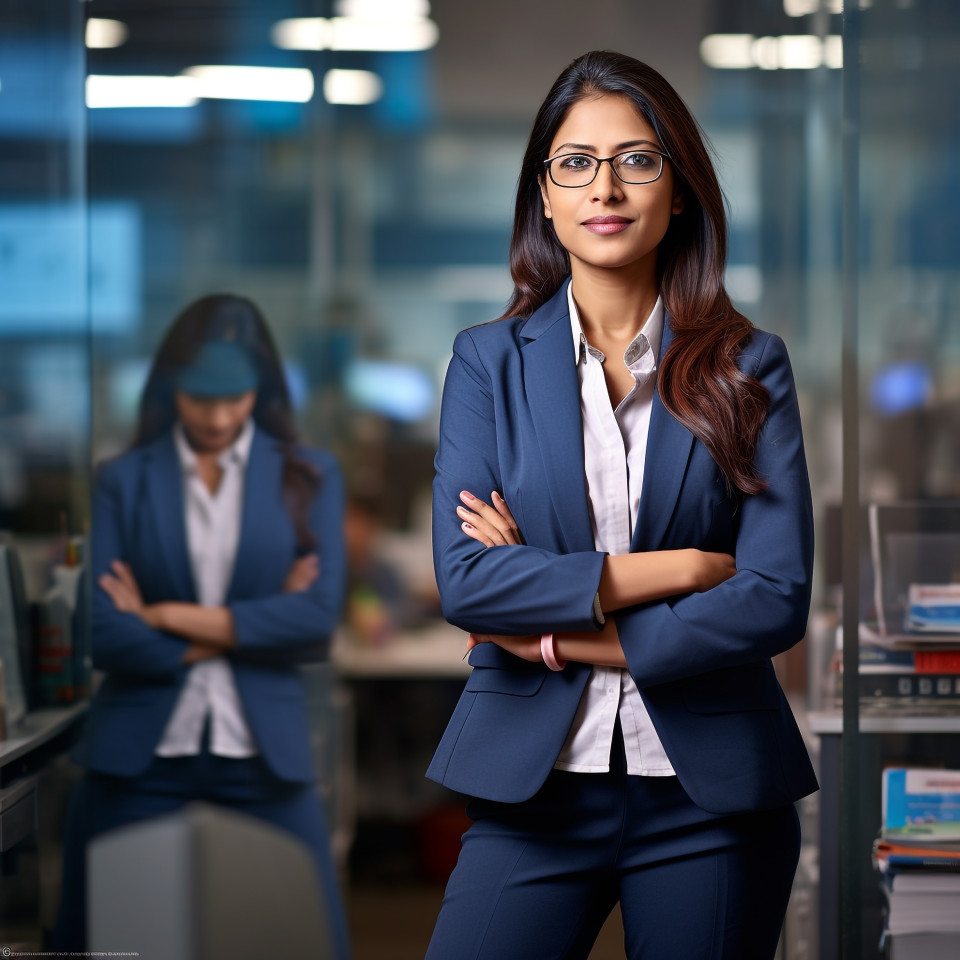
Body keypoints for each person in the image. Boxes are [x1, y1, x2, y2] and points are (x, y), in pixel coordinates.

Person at [425, 51, 818, 960]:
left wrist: (563, 631)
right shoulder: (489, 362)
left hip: (710, 799)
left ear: (678, 191)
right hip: (535, 789)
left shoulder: (747, 366)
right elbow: (472, 583)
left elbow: (772, 596)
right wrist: (681, 570)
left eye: (638, 160)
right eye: (576, 163)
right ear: (545, 195)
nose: (606, 187)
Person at [53, 294, 350, 958]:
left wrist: (163, 615)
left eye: (236, 398)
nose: (218, 418)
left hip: (264, 757)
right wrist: (246, 626)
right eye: (200, 399)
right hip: (137, 760)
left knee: (313, 940)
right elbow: (101, 632)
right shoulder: (123, 480)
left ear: (262, 390)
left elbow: (314, 621)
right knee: (98, 940)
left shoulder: (307, 476)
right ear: (169, 390)